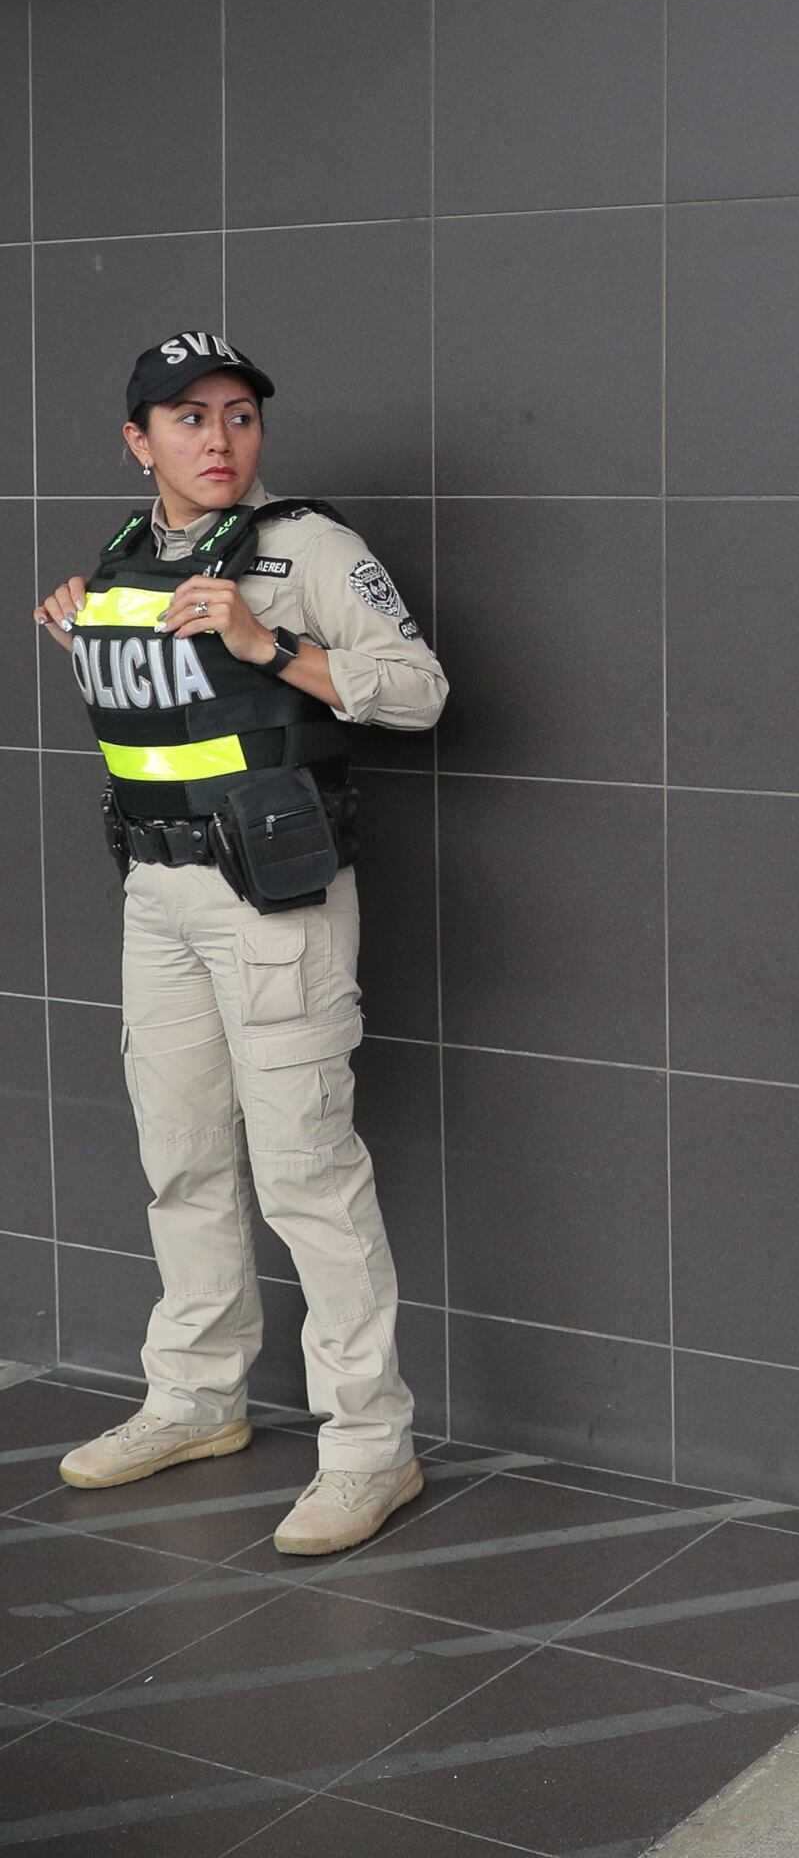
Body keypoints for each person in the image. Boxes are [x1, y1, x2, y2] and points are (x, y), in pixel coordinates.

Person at [34, 335, 448, 1554]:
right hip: (156, 895)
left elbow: (421, 688)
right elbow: (172, 720)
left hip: (274, 901)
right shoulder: (126, 554)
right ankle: (197, 1397)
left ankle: (371, 1446)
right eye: (187, 417)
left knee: (308, 1171)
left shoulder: (305, 547)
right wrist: (87, 631)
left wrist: (272, 645)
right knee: (182, 1156)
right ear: (138, 440)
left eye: (239, 416)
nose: (218, 440)